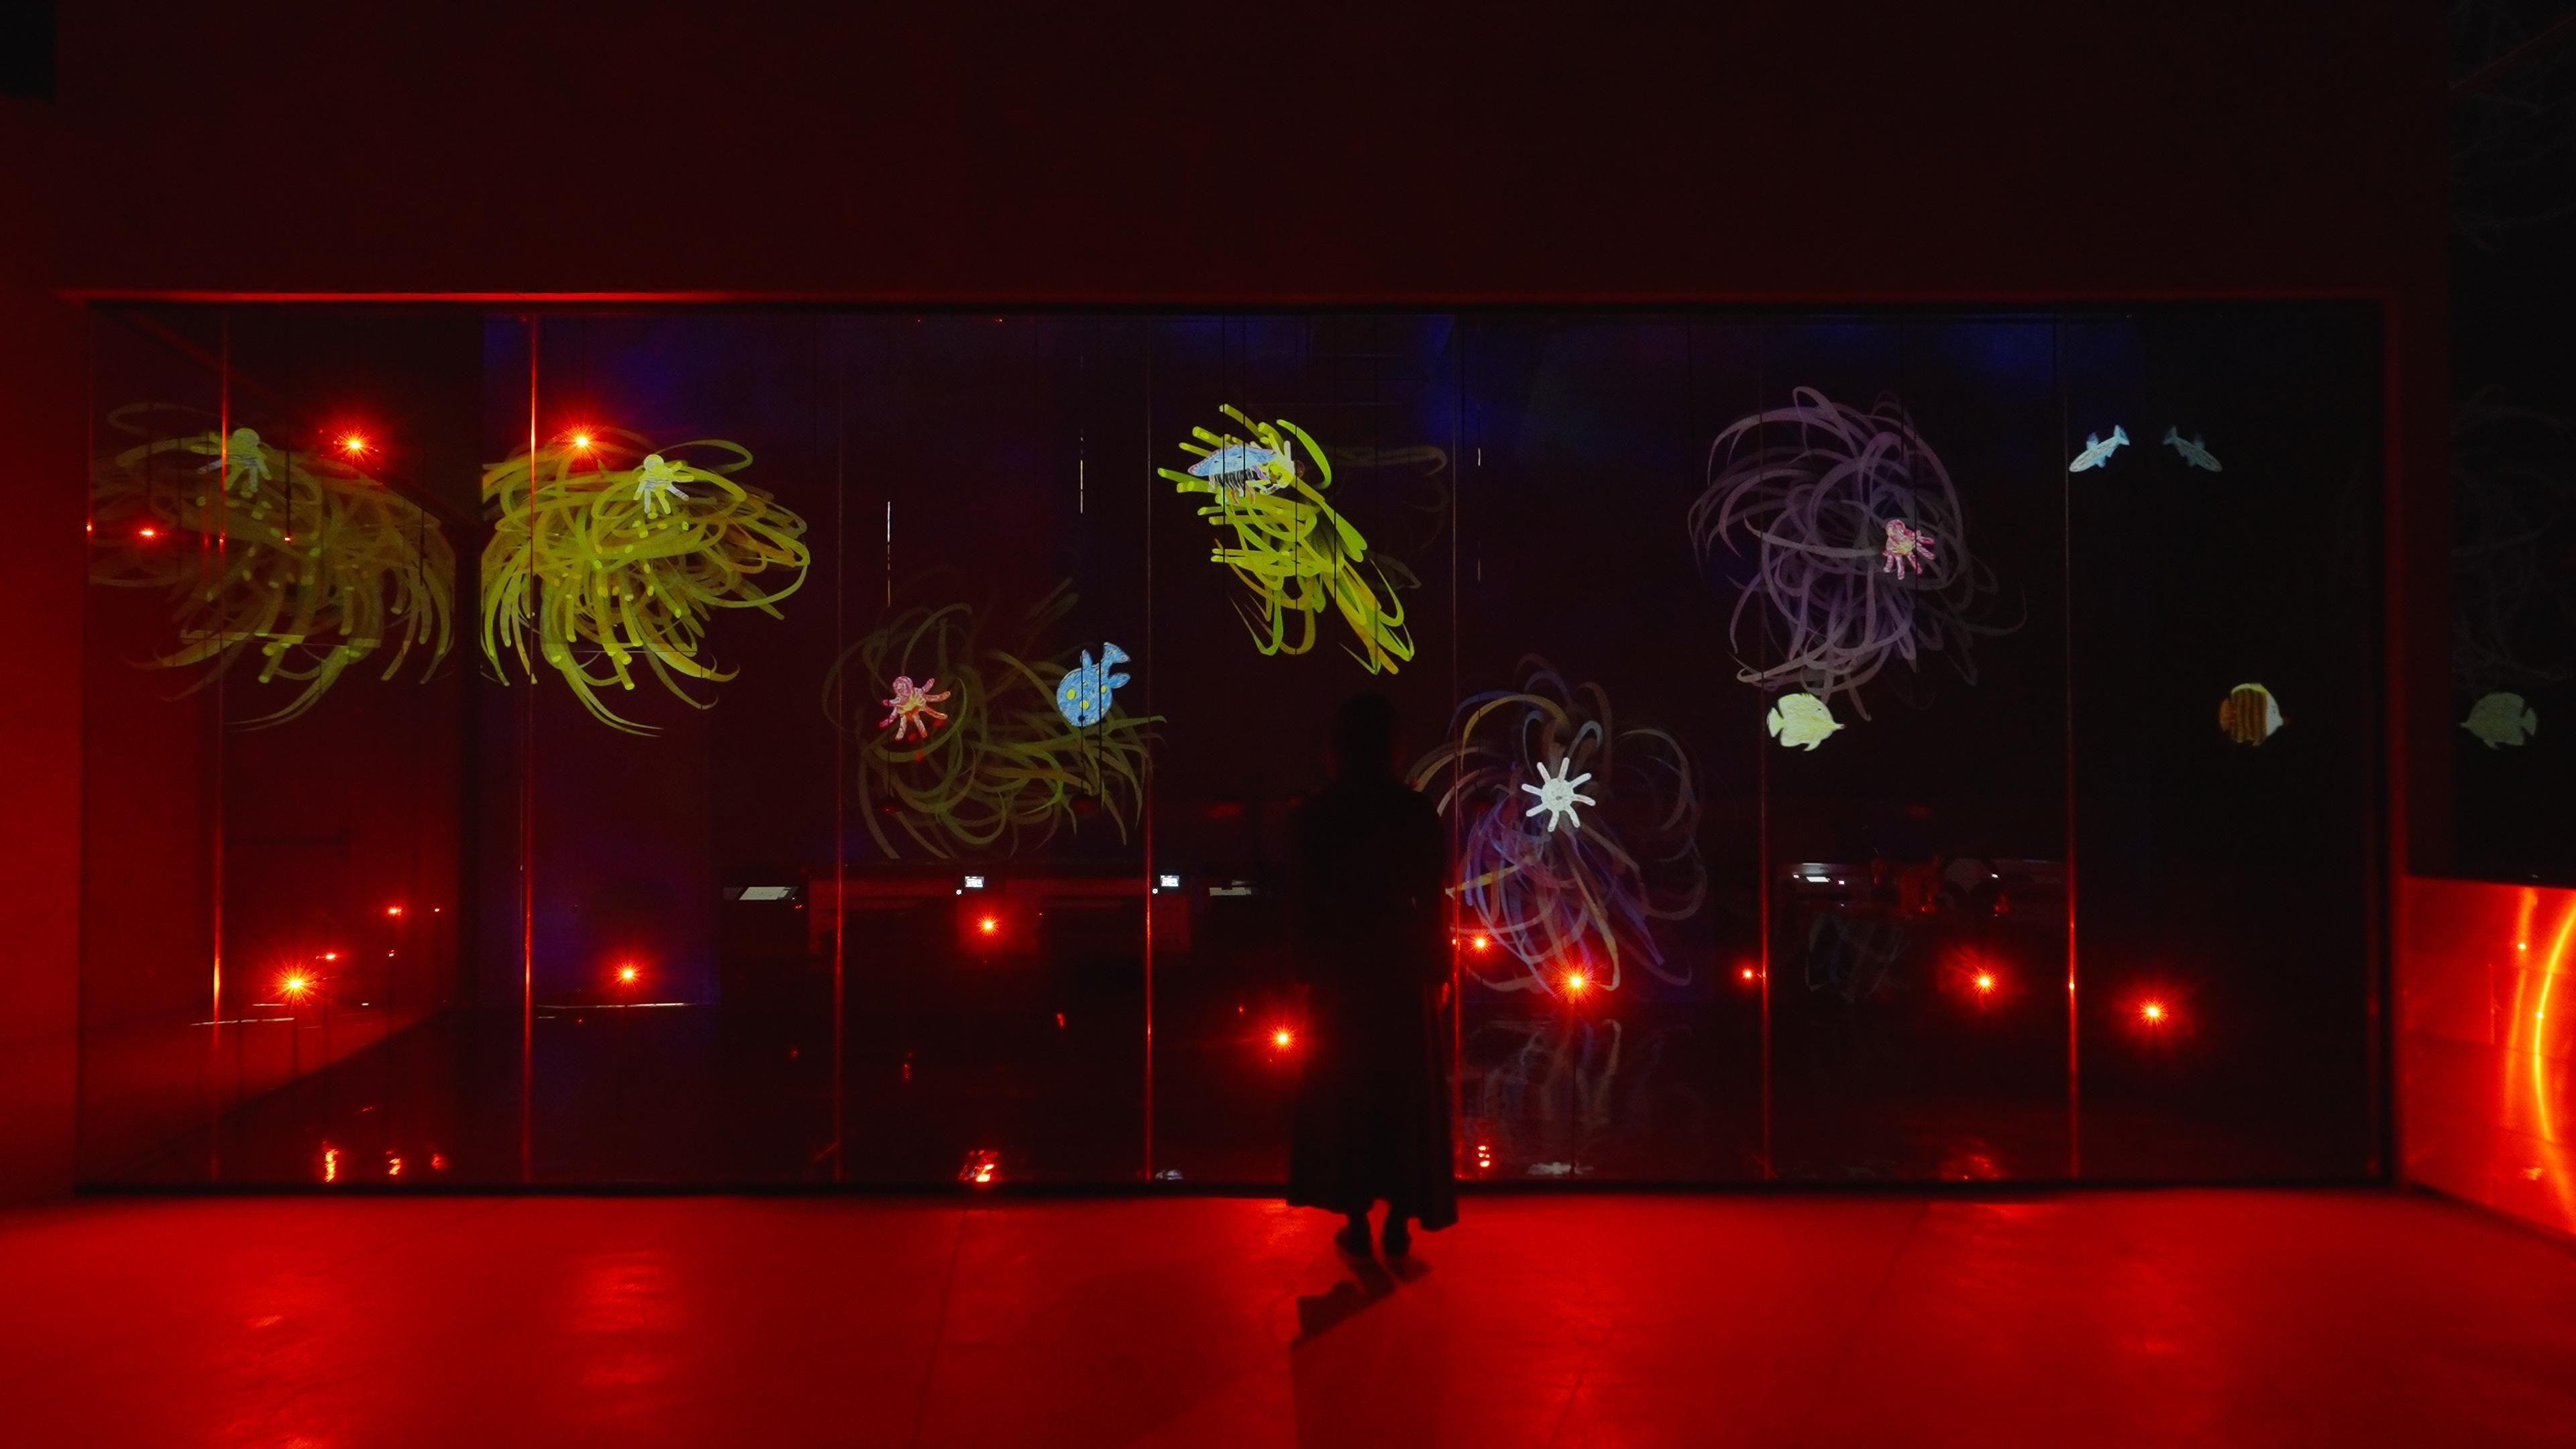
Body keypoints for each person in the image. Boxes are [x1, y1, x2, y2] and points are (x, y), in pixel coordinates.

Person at [1285, 691, 1458, 1257]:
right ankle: (1401, 1217)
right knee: (1406, 1094)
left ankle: (1355, 1214)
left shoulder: (1314, 817)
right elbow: (1431, 903)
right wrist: (1438, 969)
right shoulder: (1415, 813)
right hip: (1402, 970)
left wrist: (1305, 975)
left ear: (1336, 746)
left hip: (1339, 973)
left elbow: (1304, 907)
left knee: (1345, 1093)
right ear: (1393, 746)